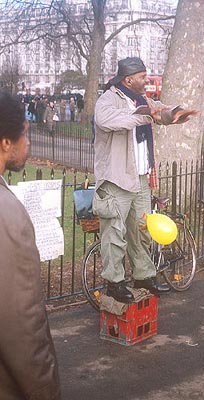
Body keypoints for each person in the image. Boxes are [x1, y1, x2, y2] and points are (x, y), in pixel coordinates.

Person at [93, 56, 197, 303]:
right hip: (116, 179)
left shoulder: (142, 100)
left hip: (140, 179)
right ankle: (114, 283)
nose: (146, 80)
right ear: (129, 79)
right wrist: (146, 115)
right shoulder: (108, 99)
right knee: (114, 233)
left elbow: (159, 110)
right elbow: (108, 121)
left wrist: (176, 113)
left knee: (141, 230)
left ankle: (144, 276)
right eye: (142, 76)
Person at [0, 92, 61, 399]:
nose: (29, 143)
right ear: (5, 143)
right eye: (24, 134)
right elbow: (22, 328)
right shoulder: (8, 216)